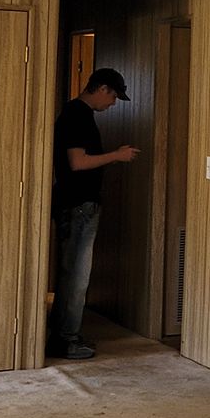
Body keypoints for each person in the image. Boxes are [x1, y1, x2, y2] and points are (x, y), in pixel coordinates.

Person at [49, 68, 137, 360]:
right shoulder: (78, 115)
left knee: (70, 273)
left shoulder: (74, 114)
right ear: (101, 88)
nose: (112, 103)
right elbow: (77, 162)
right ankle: (67, 340)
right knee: (76, 275)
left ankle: (64, 335)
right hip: (79, 205)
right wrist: (116, 155)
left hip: (72, 203)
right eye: (113, 96)